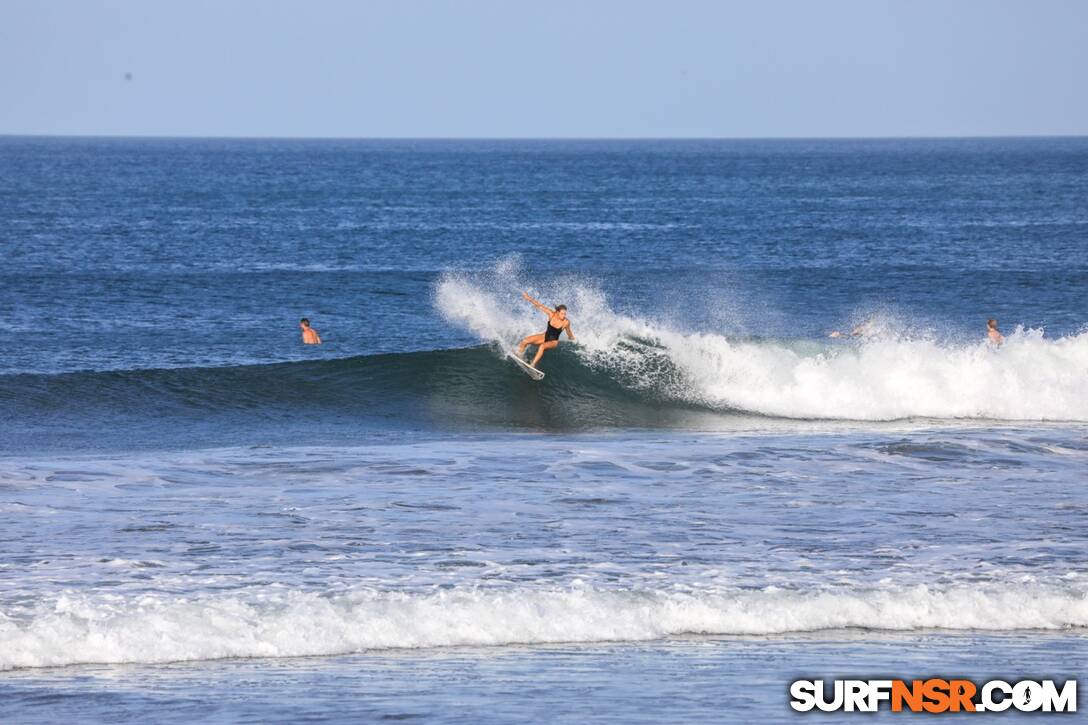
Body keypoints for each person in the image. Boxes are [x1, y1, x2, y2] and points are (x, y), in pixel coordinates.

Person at [517, 291, 575, 368]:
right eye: (562, 313)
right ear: (557, 312)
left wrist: (571, 337)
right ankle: (519, 355)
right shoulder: (551, 314)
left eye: (565, 314)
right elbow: (539, 305)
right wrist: (528, 298)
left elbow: (568, 331)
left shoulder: (566, 322)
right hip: (544, 336)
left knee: (542, 346)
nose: (564, 316)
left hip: (553, 341)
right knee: (525, 341)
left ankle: (533, 364)